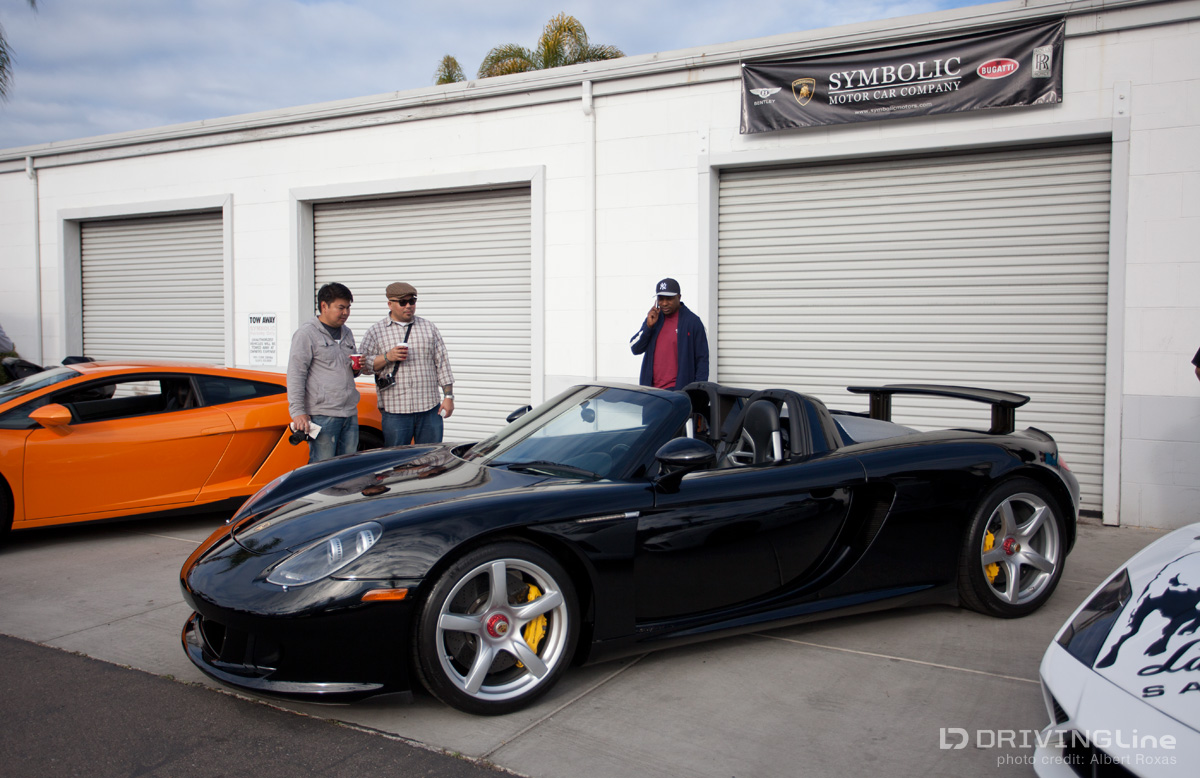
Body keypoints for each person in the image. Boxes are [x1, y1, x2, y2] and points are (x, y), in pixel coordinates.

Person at [359, 281, 455, 447]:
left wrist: (449, 396)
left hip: (429, 409)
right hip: (395, 411)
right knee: (397, 461)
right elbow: (364, 366)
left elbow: (442, 363)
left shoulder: (428, 328)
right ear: (390, 304)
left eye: (412, 301)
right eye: (402, 302)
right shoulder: (376, 331)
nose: (409, 306)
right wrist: (388, 356)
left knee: (431, 458)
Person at [287, 282, 361, 463]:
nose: (345, 313)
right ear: (324, 306)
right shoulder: (307, 334)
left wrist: (357, 368)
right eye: (341, 308)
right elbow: (296, 374)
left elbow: (347, 370)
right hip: (323, 415)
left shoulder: (347, 333)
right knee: (323, 468)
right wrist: (297, 412)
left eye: (348, 308)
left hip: (349, 412)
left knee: (348, 467)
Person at [630, 277, 709, 390]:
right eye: (661, 299)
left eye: (669, 299)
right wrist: (648, 327)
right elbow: (635, 348)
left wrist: (698, 393)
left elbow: (702, 360)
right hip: (651, 391)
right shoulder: (654, 319)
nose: (664, 303)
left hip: (678, 392)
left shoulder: (692, 322)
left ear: (679, 297)